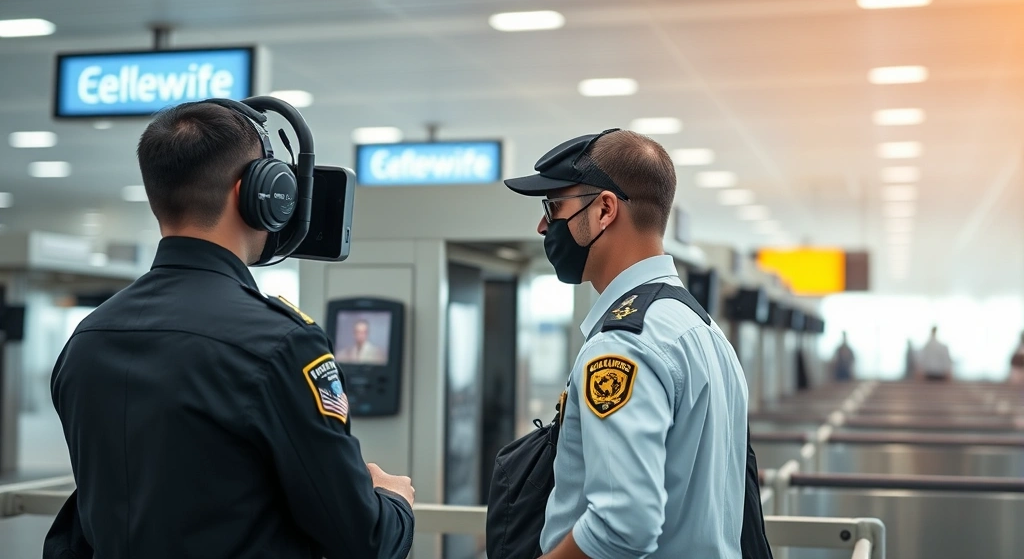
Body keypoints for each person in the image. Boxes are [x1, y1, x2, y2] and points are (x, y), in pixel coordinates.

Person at [45, 101, 414, 559]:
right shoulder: (281, 343)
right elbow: (365, 540)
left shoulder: (87, 339)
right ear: (259, 191)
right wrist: (394, 498)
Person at [504, 129, 750, 559]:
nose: (544, 225)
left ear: (604, 209)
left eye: (553, 206)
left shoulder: (623, 346)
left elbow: (622, 525)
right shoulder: (703, 329)